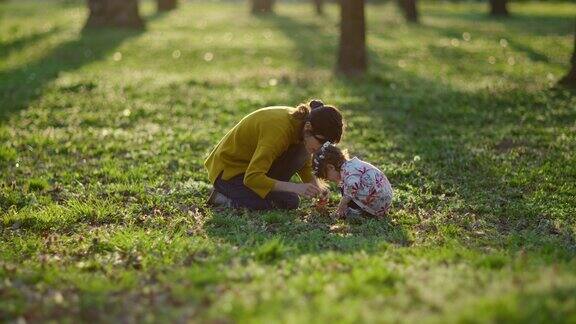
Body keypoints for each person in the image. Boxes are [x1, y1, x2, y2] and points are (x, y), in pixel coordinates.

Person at [204, 99, 344, 210]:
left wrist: (316, 188)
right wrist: (295, 187)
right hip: (229, 174)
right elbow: (252, 178)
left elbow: (303, 164)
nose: (320, 148)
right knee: (290, 201)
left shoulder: (302, 125)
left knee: (302, 153)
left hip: (250, 169)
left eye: (326, 144)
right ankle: (223, 198)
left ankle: (242, 195)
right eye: (320, 141)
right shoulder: (278, 132)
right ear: (308, 127)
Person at [312, 142, 393, 218]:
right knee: (344, 187)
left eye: (326, 177)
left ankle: (355, 212)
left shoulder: (348, 172)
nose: (329, 180)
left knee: (346, 191)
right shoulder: (353, 165)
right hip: (384, 198)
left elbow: (352, 186)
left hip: (376, 202)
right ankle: (354, 209)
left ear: (331, 167)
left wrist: (342, 204)